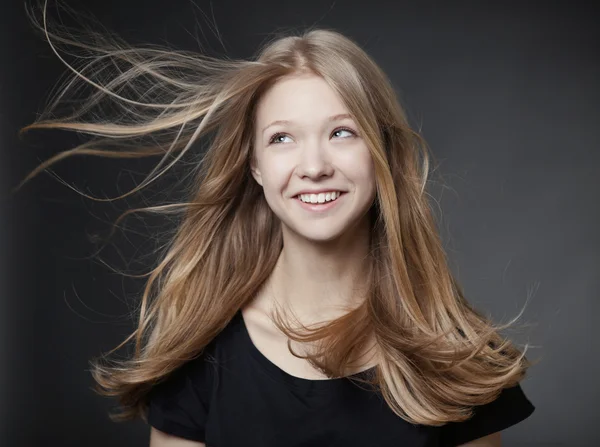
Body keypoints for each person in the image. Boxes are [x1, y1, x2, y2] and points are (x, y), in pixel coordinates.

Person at [19, 5, 536, 447]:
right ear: (255, 167)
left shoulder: (457, 353)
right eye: (282, 138)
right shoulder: (200, 355)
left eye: (341, 132)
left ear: (382, 155)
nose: (314, 165)